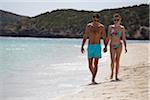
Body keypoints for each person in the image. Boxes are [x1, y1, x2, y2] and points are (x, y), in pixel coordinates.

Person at [81, 14, 107, 84]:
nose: (95, 21)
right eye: (94, 19)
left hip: (97, 46)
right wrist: (82, 46)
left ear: (98, 19)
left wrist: (106, 46)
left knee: (96, 63)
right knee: (90, 64)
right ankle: (94, 75)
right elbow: (85, 36)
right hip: (90, 46)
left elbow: (104, 37)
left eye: (97, 20)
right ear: (92, 19)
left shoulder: (101, 27)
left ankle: (93, 79)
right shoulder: (89, 26)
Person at [107, 13, 127, 81]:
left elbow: (124, 38)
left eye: (117, 20)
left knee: (117, 60)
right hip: (112, 45)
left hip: (119, 45)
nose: (116, 21)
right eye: (115, 20)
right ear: (113, 20)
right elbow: (108, 37)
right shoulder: (110, 27)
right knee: (112, 61)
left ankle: (116, 75)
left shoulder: (122, 28)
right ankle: (112, 72)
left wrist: (125, 46)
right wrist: (106, 46)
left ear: (120, 20)